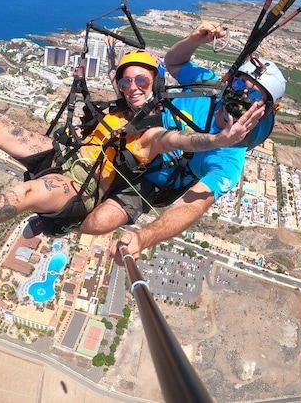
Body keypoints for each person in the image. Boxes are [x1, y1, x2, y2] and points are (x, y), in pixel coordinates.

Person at [0, 51, 263, 244]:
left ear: (156, 83)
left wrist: (216, 141)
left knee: (25, 194)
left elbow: (177, 140)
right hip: (67, 155)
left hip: (82, 187)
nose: (132, 87)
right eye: (125, 81)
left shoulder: (152, 130)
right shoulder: (116, 109)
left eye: (141, 79)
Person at [88, 21, 287, 263]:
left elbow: (192, 206)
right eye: (238, 84)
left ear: (264, 110)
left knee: (99, 223)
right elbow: (175, 63)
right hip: (135, 132)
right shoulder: (208, 85)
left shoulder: (229, 159)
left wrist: (144, 237)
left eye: (254, 94)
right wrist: (194, 40)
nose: (243, 94)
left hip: (148, 182)